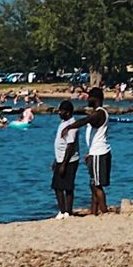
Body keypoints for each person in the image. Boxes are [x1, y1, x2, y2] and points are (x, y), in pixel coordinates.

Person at [62, 86, 110, 216]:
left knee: (96, 185)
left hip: (99, 153)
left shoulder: (99, 113)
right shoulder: (97, 113)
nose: (87, 99)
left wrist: (70, 126)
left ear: (95, 99)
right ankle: (94, 211)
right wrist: (89, 152)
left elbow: (86, 120)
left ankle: (104, 211)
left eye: (89, 97)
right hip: (94, 152)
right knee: (93, 183)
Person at [51, 100, 79, 219]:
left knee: (67, 187)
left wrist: (63, 164)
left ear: (67, 113)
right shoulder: (63, 123)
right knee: (57, 186)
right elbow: (60, 144)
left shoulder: (72, 126)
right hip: (60, 159)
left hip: (69, 160)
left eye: (61, 111)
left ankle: (67, 211)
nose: (59, 113)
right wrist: (55, 161)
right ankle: (62, 210)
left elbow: (70, 146)